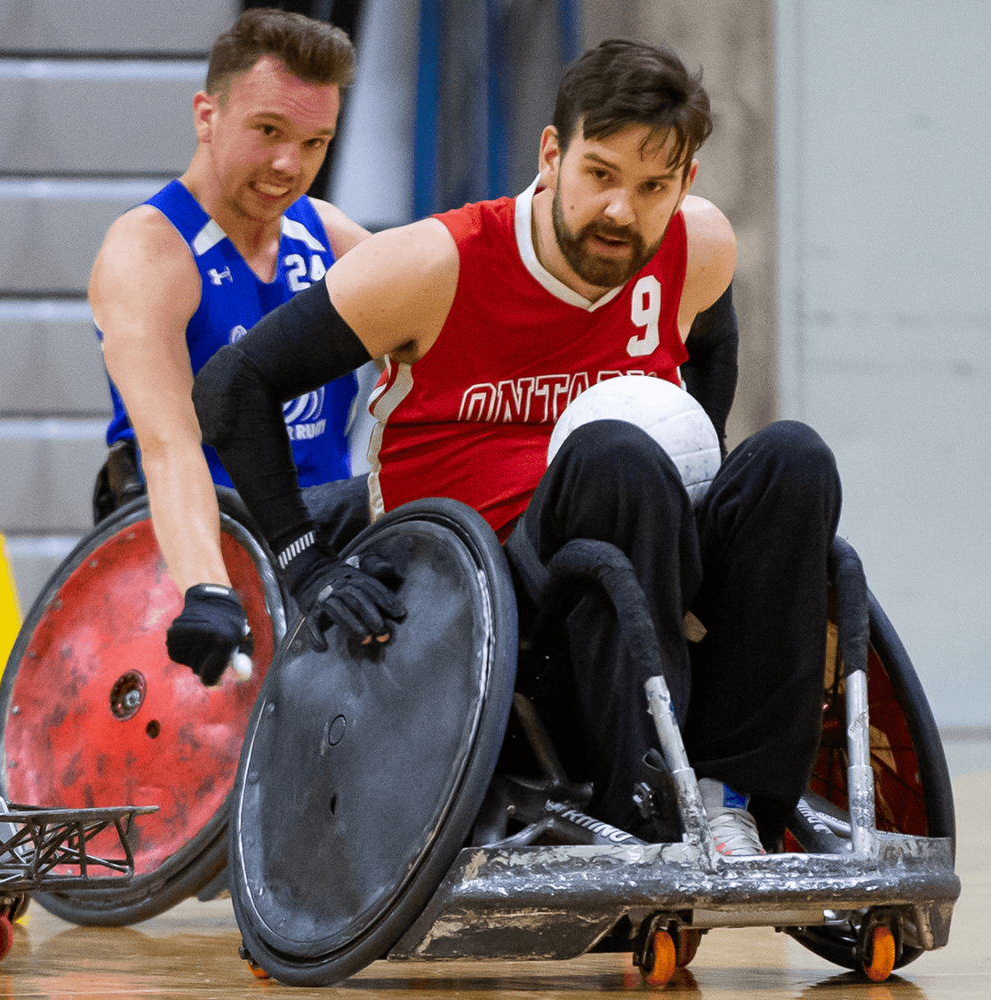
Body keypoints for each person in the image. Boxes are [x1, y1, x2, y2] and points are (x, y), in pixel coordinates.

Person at [194, 39, 838, 857]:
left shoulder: (698, 246)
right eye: (600, 174)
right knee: (617, 457)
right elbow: (230, 386)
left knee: (794, 458)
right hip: (486, 594)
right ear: (551, 154)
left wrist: (700, 473)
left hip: (638, 555)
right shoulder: (435, 262)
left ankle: (736, 795)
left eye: (652, 188)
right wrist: (307, 563)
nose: (620, 211)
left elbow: (713, 349)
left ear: (685, 185)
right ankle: (643, 800)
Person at [90, 7, 374, 687]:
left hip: (323, 548)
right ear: (206, 115)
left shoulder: (330, 236)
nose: (288, 164)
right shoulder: (150, 249)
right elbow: (168, 445)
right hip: (204, 546)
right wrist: (209, 589)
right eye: (269, 130)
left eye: (314, 142)